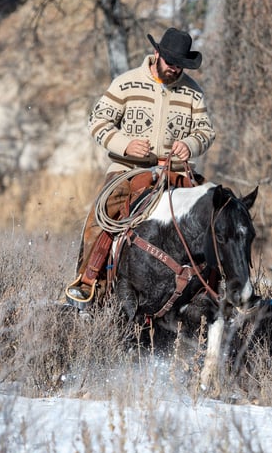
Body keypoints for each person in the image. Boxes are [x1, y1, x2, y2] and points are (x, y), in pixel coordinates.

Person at [65, 27, 216, 306]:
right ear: (157, 54)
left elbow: (206, 132)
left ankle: (220, 286)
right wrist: (125, 144)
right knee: (103, 214)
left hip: (177, 171)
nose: (175, 69)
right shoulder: (126, 84)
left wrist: (191, 145)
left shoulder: (194, 93)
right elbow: (97, 122)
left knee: (216, 213)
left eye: (181, 65)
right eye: (171, 63)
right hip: (128, 169)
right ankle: (87, 283)